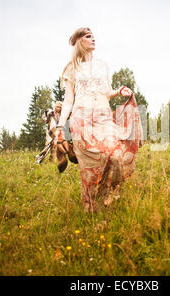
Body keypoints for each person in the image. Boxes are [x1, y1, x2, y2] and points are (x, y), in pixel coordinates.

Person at [55, 27, 143, 213]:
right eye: (88, 36)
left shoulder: (103, 64)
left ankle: (107, 193)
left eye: (93, 36)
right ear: (80, 41)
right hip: (82, 119)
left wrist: (119, 91)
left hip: (103, 117)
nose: (93, 39)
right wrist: (60, 126)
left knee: (116, 155)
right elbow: (69, 99)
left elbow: (106, 93)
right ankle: (90, 207)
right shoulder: (72, 67)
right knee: (91, 164)